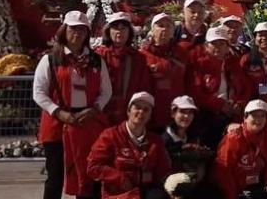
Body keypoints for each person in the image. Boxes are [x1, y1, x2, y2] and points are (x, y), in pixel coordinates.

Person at [33, 10, 111, 199]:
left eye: (82, 30)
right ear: (64, 30)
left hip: (87, 123)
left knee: (87, 175)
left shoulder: (96, 61)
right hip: (57, 124)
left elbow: (106, 91)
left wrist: (95, 109)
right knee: (55, 177)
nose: (77, 33)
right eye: (73, 29)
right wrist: (58, 112)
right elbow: (39, 92)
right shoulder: (50, 60)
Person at [87, 91, 172, 199]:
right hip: (119, 194)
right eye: (137, 107)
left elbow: (163, 171)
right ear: (128, 111)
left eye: (146, 109)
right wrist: (120, 178)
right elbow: (93, 167)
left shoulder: (155, 141)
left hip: (147, 192)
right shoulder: (110, 135)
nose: (141, 112)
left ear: (150, 116)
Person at [186, 26, 253, 149]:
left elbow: (246, 87)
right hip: (207, 116)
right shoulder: (199, 65)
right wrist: (220, 105)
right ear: (206, 46)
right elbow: (195, 93)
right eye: (214, 44)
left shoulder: (233, 63)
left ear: (227, 47)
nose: (218, 47)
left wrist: (239, 104)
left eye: (221, 43)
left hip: (232, 113)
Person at [213, 99, 267, 199]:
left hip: (260, 186)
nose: (258, 119)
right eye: (254, 115)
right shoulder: (234, 138)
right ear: (245, 118)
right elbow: (224, 171)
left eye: (262, 116)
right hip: (237, 188)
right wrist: (232, 196)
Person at [98, 12, 153, 125]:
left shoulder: (138, 58)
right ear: (108, 31)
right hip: (102, 111)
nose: (119, 32)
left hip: (128, 113)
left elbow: (144, 87)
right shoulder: (99, 55)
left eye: (124, 28)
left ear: (129, 32)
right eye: (115, 28)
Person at [141, 13, 189, 132]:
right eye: (160, 25)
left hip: (176, 113)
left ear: (173, 31)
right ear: (152, 30)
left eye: (168, 26)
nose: (164, 29)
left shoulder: (182, 53)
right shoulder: (143, 55)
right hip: (152, 114)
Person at [162, 95, 213, 197]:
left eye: (190, 113)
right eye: (182, 112)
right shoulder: (164, 140)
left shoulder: (194, 137)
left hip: (193, 184)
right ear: (173, 113)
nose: (186, 116)